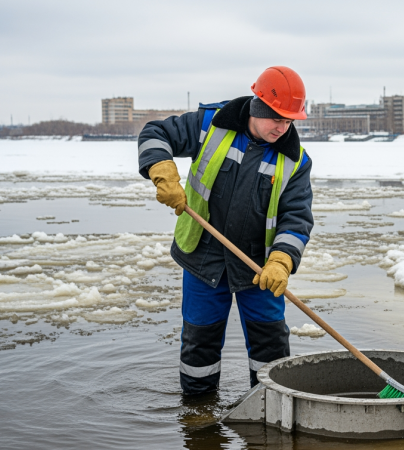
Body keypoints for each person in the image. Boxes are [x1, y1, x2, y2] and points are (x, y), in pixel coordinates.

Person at [137, 66, 313, 394]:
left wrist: (281, 261)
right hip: (203, 259)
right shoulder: (210, 125)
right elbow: (154, 133)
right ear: (259, 106)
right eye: (278, 118)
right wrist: (161, 170)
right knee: (199, 347)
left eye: (290, 120)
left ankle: (270, 410)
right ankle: (198, 419)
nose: (283, 127)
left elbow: (296, 218)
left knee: (271, 349)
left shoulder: (295, 161)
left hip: (259, 269)